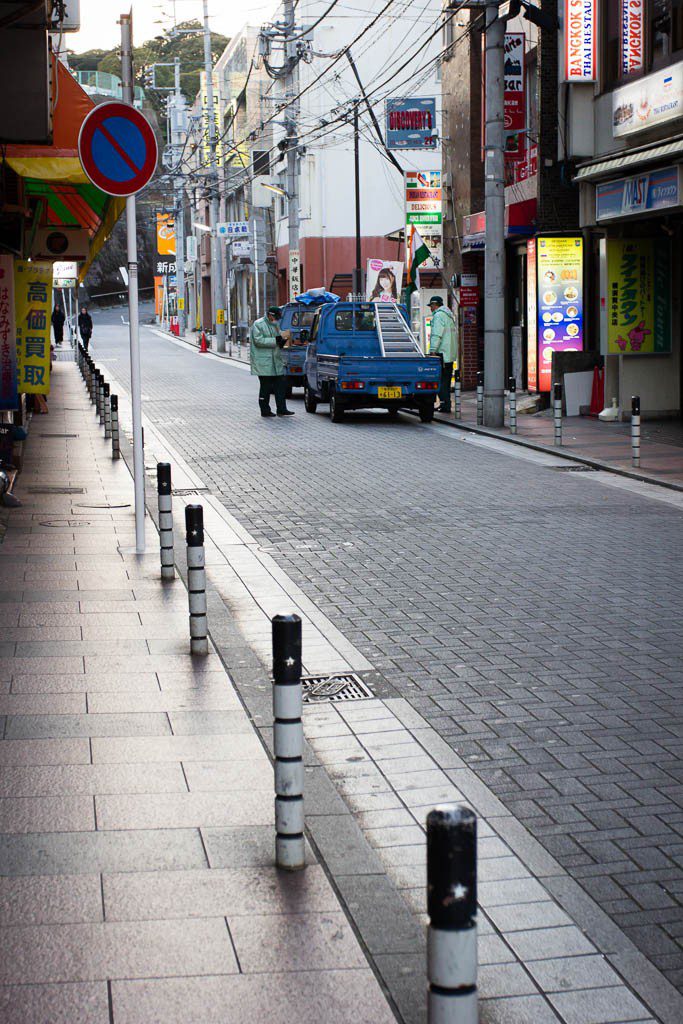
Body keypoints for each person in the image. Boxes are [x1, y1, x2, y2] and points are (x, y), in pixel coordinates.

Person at [249, 306, 294, 417]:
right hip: (263, 362)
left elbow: (278, 339)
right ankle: (265, 410)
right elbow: (258, 341)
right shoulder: (258, 324)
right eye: (276, 317)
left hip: (276, 361)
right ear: (270, 315)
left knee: (280, 386)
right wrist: (276, 340)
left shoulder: (275, 324)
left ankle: (282, 409)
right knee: (266, 388)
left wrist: (283, 340)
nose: (277, 319)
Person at [428, 296, 458, 413]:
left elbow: (436, 334)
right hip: (449, 354)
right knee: (446, 379)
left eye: (431, 306)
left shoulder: (438, 315)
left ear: (435, 305)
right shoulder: (449, 315)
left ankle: (444, 405)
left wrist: (432, 350)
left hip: (442, 353)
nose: (430, 308)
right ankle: (446, 404)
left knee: (441, 380)